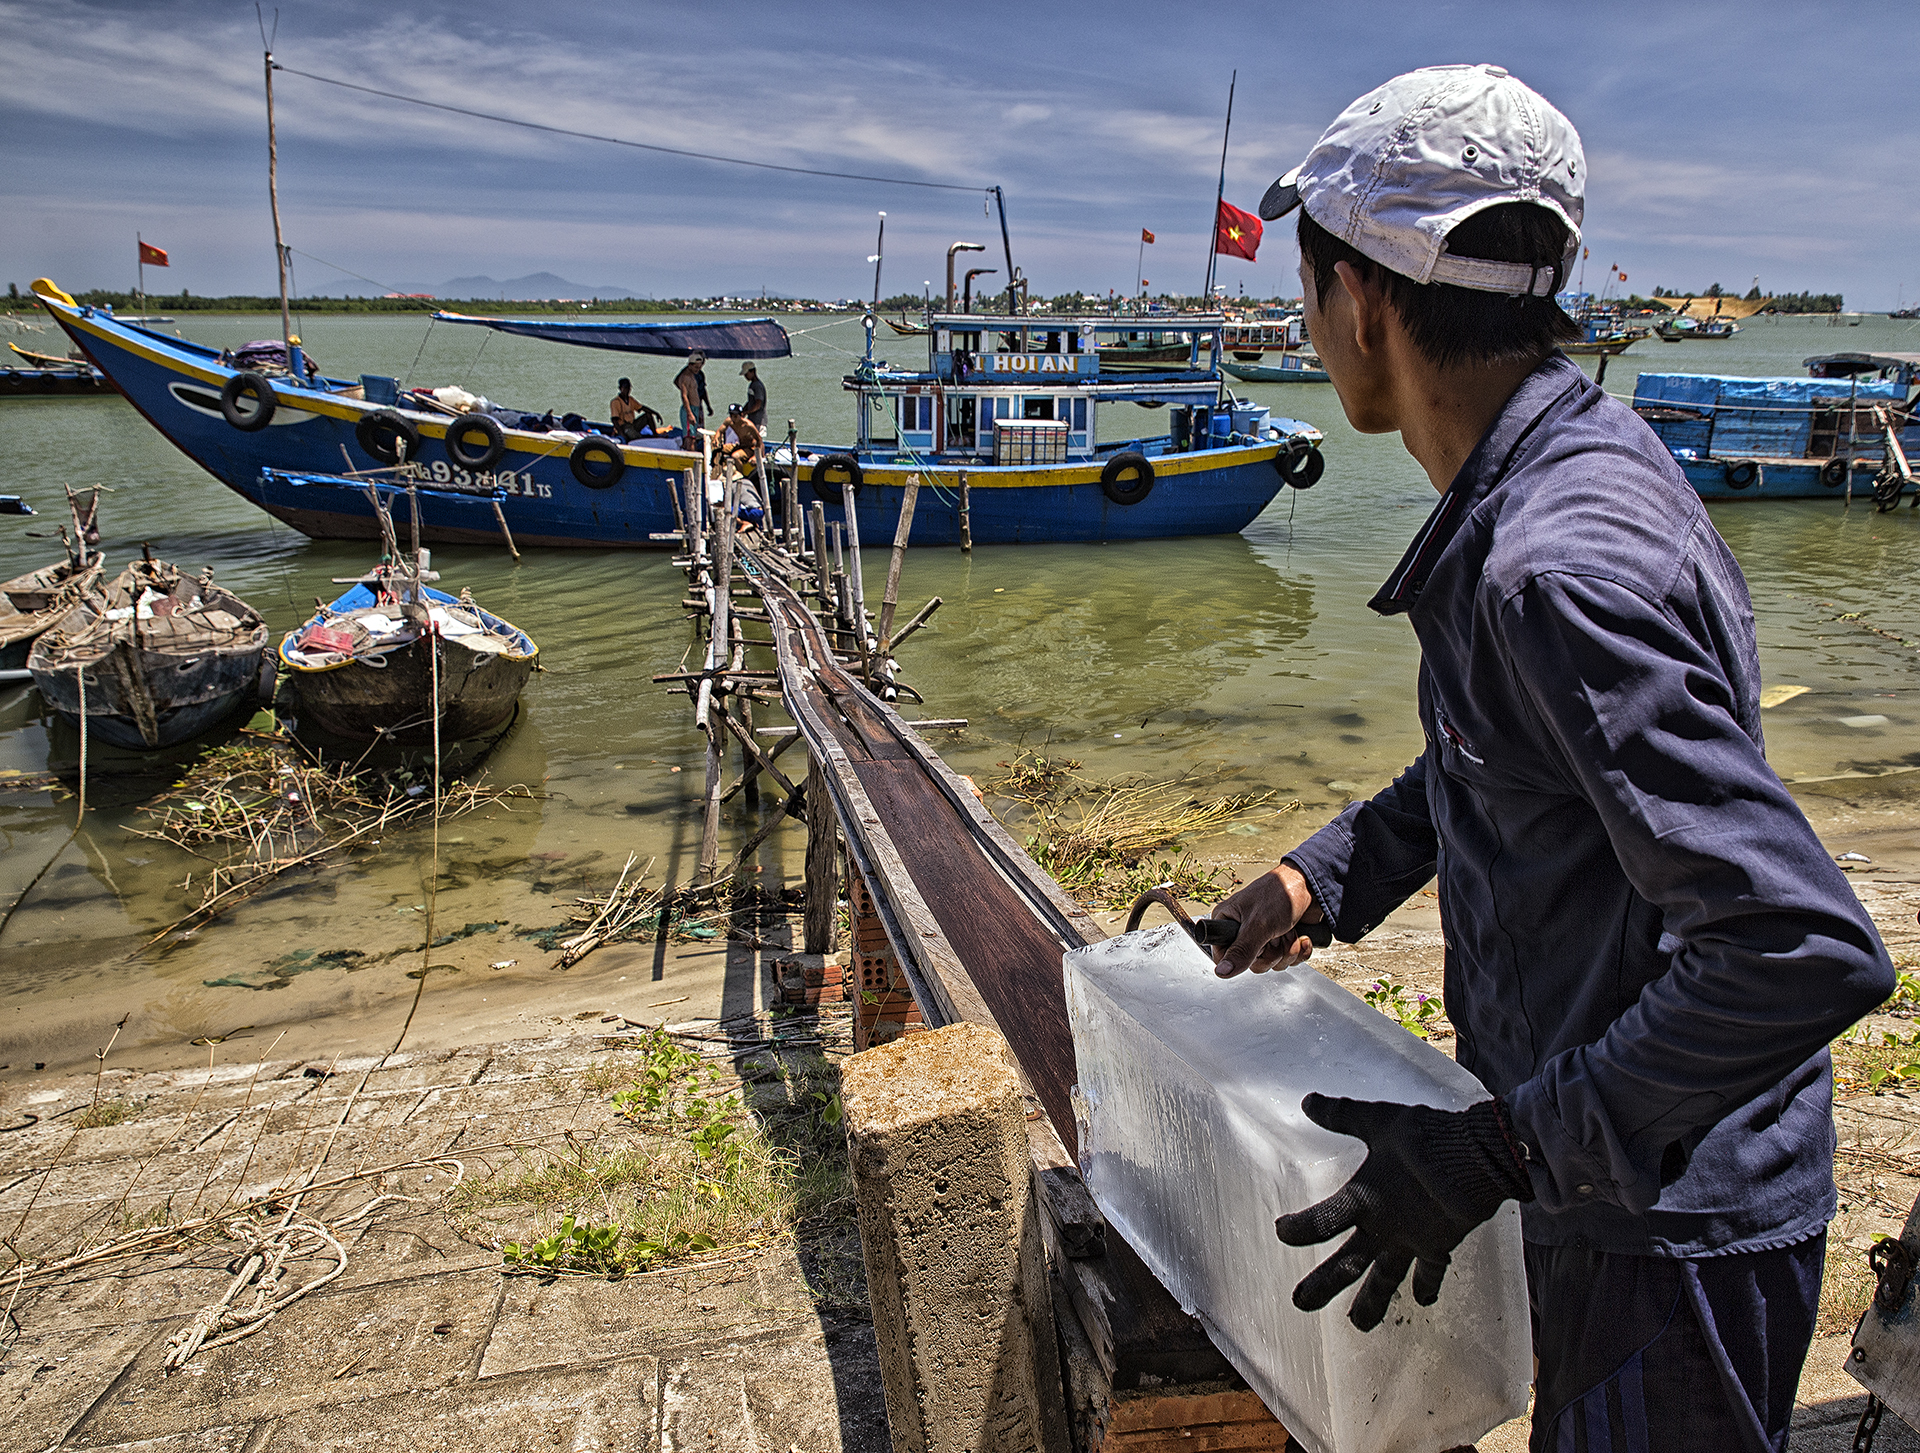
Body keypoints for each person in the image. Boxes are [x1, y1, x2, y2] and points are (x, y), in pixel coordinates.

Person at [1207, 64, 1894, 1449]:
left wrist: (1495, 1151)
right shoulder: (1565, 463)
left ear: (1362, 300)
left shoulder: (1551, 569)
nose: (1304, 318)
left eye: (1307, 282)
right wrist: (1326, 873)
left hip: (1667, 1220)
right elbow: (1519, 763)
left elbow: (1802, 947)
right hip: (1617, 1169)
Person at [674, 352, 710, 439]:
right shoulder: (685, 375)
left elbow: (703, 390)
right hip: (690, 407)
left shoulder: (699, 374)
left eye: (700, 366)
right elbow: (683, 394)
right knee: (690, 436)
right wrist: (689, 413)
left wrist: (708, 405)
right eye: (696, 367)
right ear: (690, 365)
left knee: (695, 434)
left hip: (697, 406)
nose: (698, 369)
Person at [739, 360, 767, 431]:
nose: (745, 377)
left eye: (746, 374)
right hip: (752, 420)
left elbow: (758, 404)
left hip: (759, 421)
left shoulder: (757, 386)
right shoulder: (752, 385)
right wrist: (742, 410)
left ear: (753, 372)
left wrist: (746, 412)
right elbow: (750, 402)